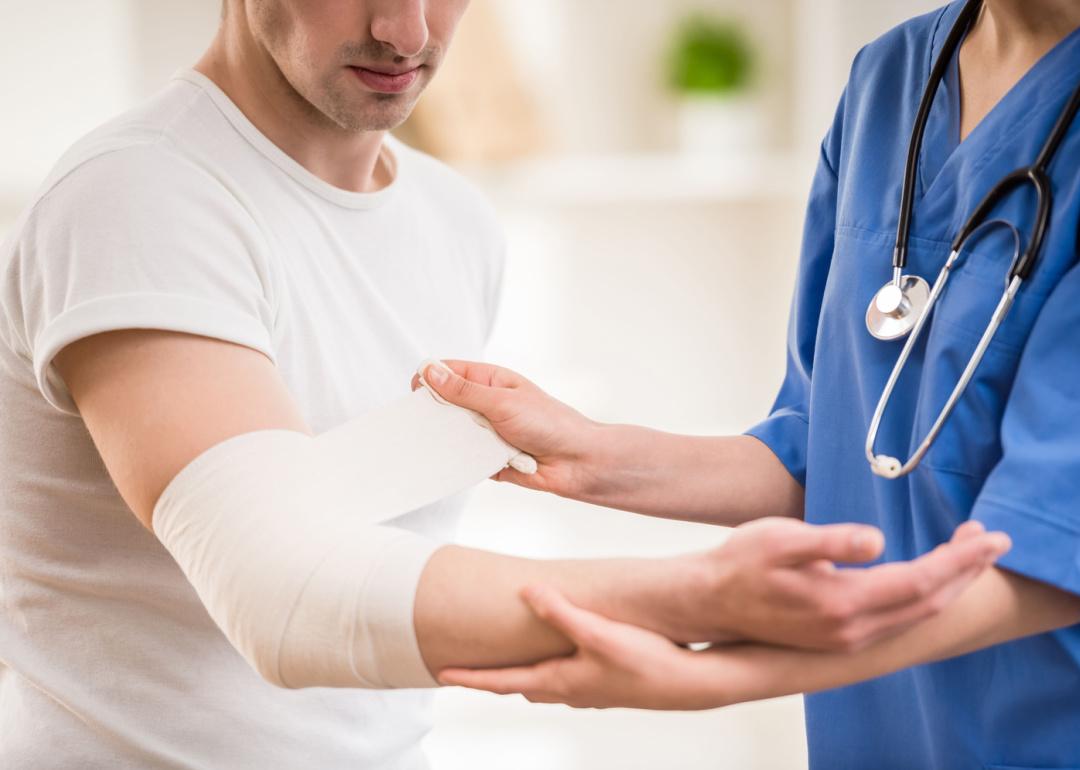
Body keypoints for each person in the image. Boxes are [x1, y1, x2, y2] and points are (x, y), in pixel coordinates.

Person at [0, 1, 1010, 768]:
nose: (407, 31)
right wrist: (690, 597)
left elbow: (354, 530)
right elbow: (285, 590)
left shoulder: (453, 220)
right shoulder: (139, 196)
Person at [424, 1, 1080, 768]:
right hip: (866, 739)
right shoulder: (891, 78)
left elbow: (1047, 555)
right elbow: (822, 452)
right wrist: (593, 454)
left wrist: (712, 670)